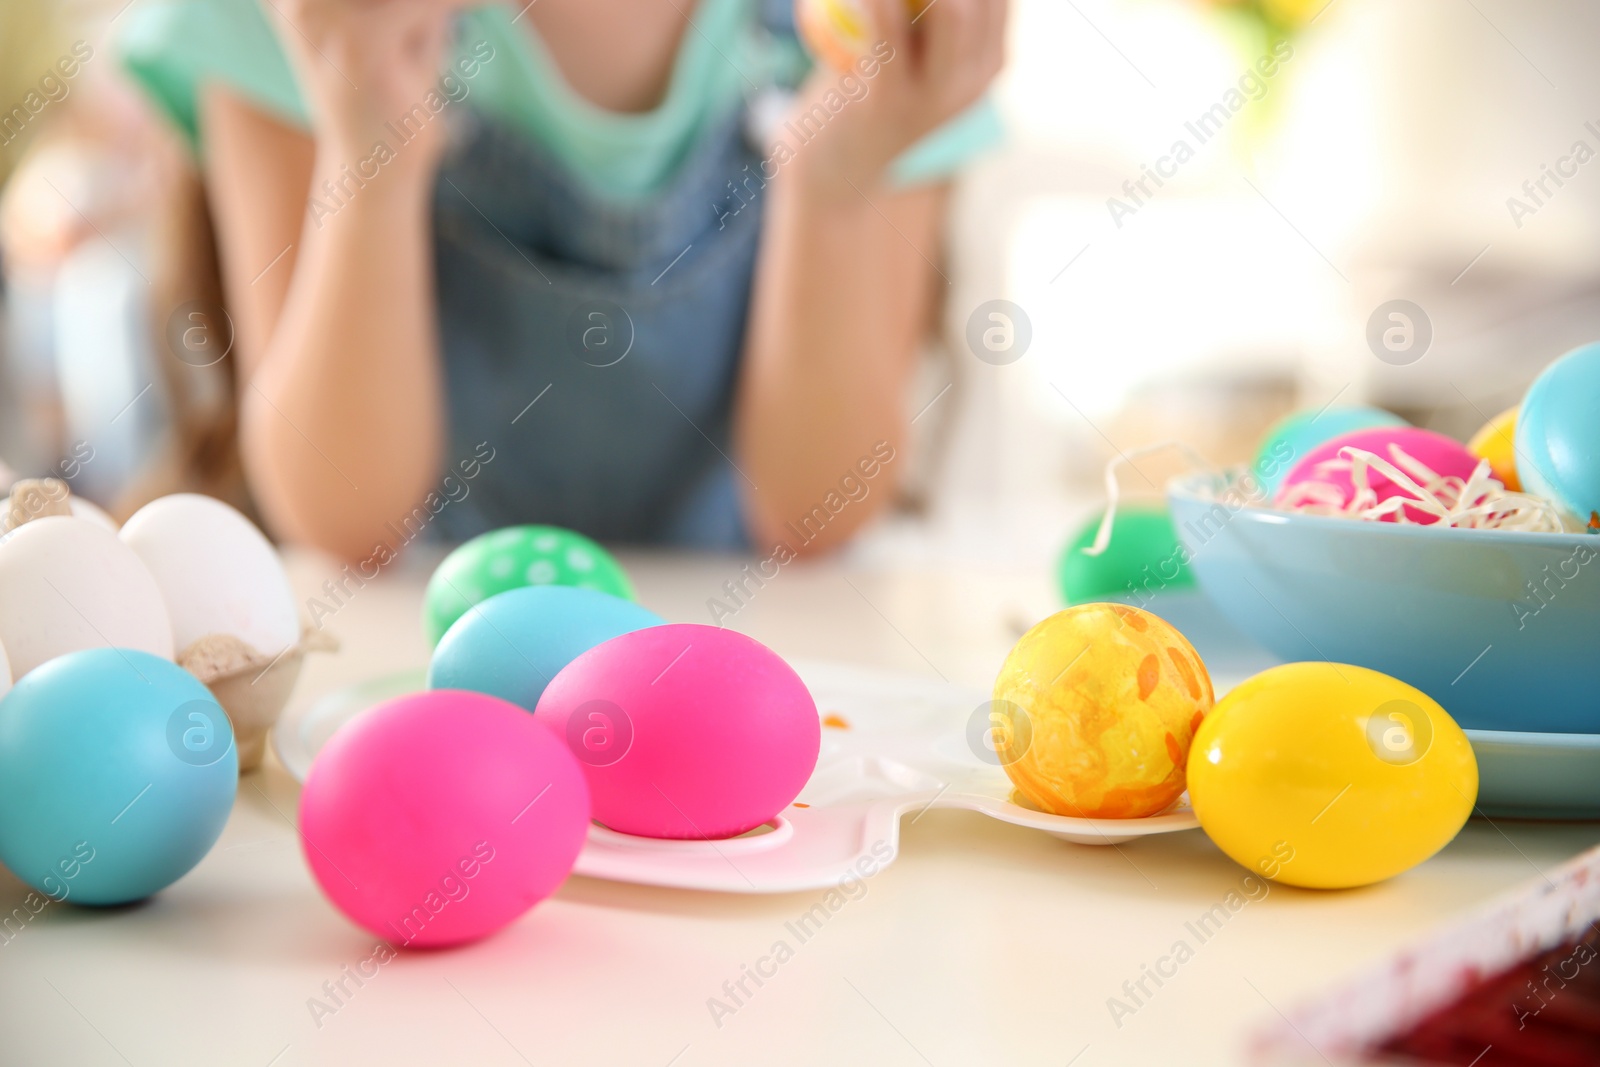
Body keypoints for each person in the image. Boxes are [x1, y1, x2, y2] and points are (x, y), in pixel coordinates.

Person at [119, 0, 1006, 560]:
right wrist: (372, 148)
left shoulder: (881, 23)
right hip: (417, 678)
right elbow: (346, 516)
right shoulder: (293, 15)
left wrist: (834, 185)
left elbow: (817, 512)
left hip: (751, 673)